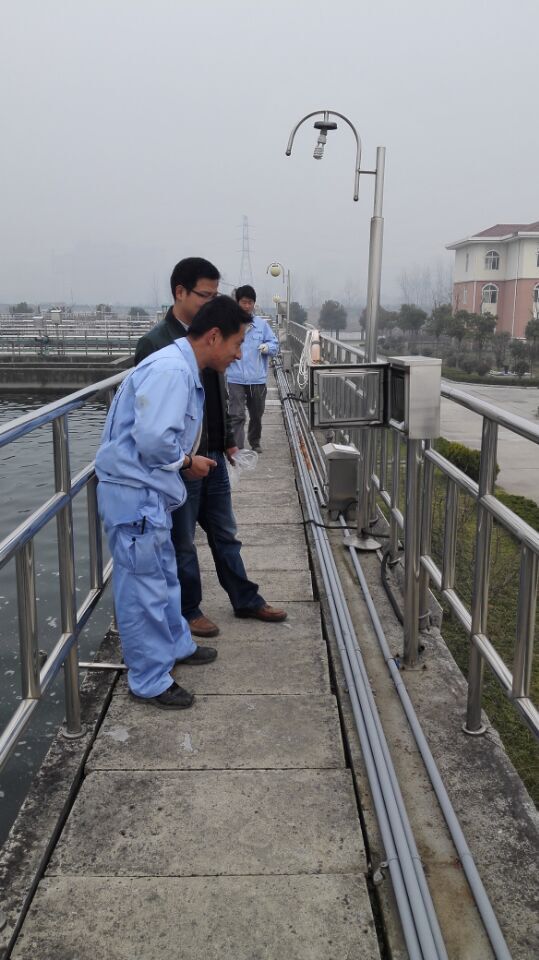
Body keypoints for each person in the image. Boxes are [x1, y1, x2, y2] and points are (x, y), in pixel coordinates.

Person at [95, 296, 248, 709]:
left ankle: (177, 644)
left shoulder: (179, 365)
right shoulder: (172, 371)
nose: (239, 354)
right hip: (135, 496)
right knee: (143, 588)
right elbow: (152, 440)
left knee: (164, 578)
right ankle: (149, 680)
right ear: (214, 337)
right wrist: (186, 462)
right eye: (237, 343)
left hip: (148, 494)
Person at [135, 258, 287, 639]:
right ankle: (188, 610)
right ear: (180, 292)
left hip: (212, 455)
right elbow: (149, 421)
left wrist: (227, 442)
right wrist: (182, 460)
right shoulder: (158, 344)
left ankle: (245, 598)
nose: (211, 302)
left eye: (216, 295)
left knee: (225, 532)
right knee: (182, 541)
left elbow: (216, 394)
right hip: (181, 463)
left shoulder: (211, 336)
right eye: (205, 294)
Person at [226, 285, 279, 452]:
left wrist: (267, 347)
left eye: (250, 302)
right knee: (237, 415)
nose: (247, 306)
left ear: (254, 304)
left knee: (257, 414)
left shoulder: (261, 325)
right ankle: (238, 448)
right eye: (244, 302)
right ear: (237, 303)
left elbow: (274, 344)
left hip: (257, 378)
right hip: (235, 377)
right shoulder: (229, 324)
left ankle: (255, 441)